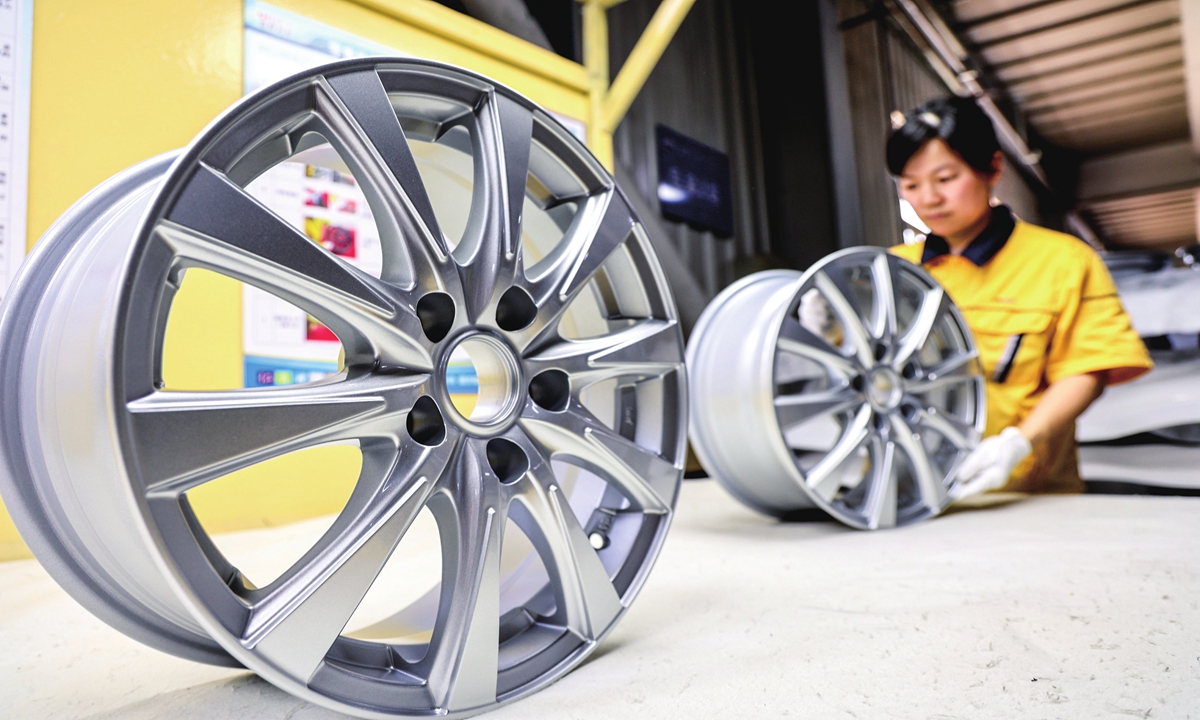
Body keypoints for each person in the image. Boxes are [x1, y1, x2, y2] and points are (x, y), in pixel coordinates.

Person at [885, 96, 1151, 499]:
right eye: (910, 184)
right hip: (911, 494)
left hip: (1026, 494)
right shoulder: (891, 270)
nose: (928, 199)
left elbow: (1087, 370)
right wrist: (825, 323)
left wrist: (1019, 443)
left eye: (945, 179)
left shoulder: (1063, 260)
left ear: (993, 168)